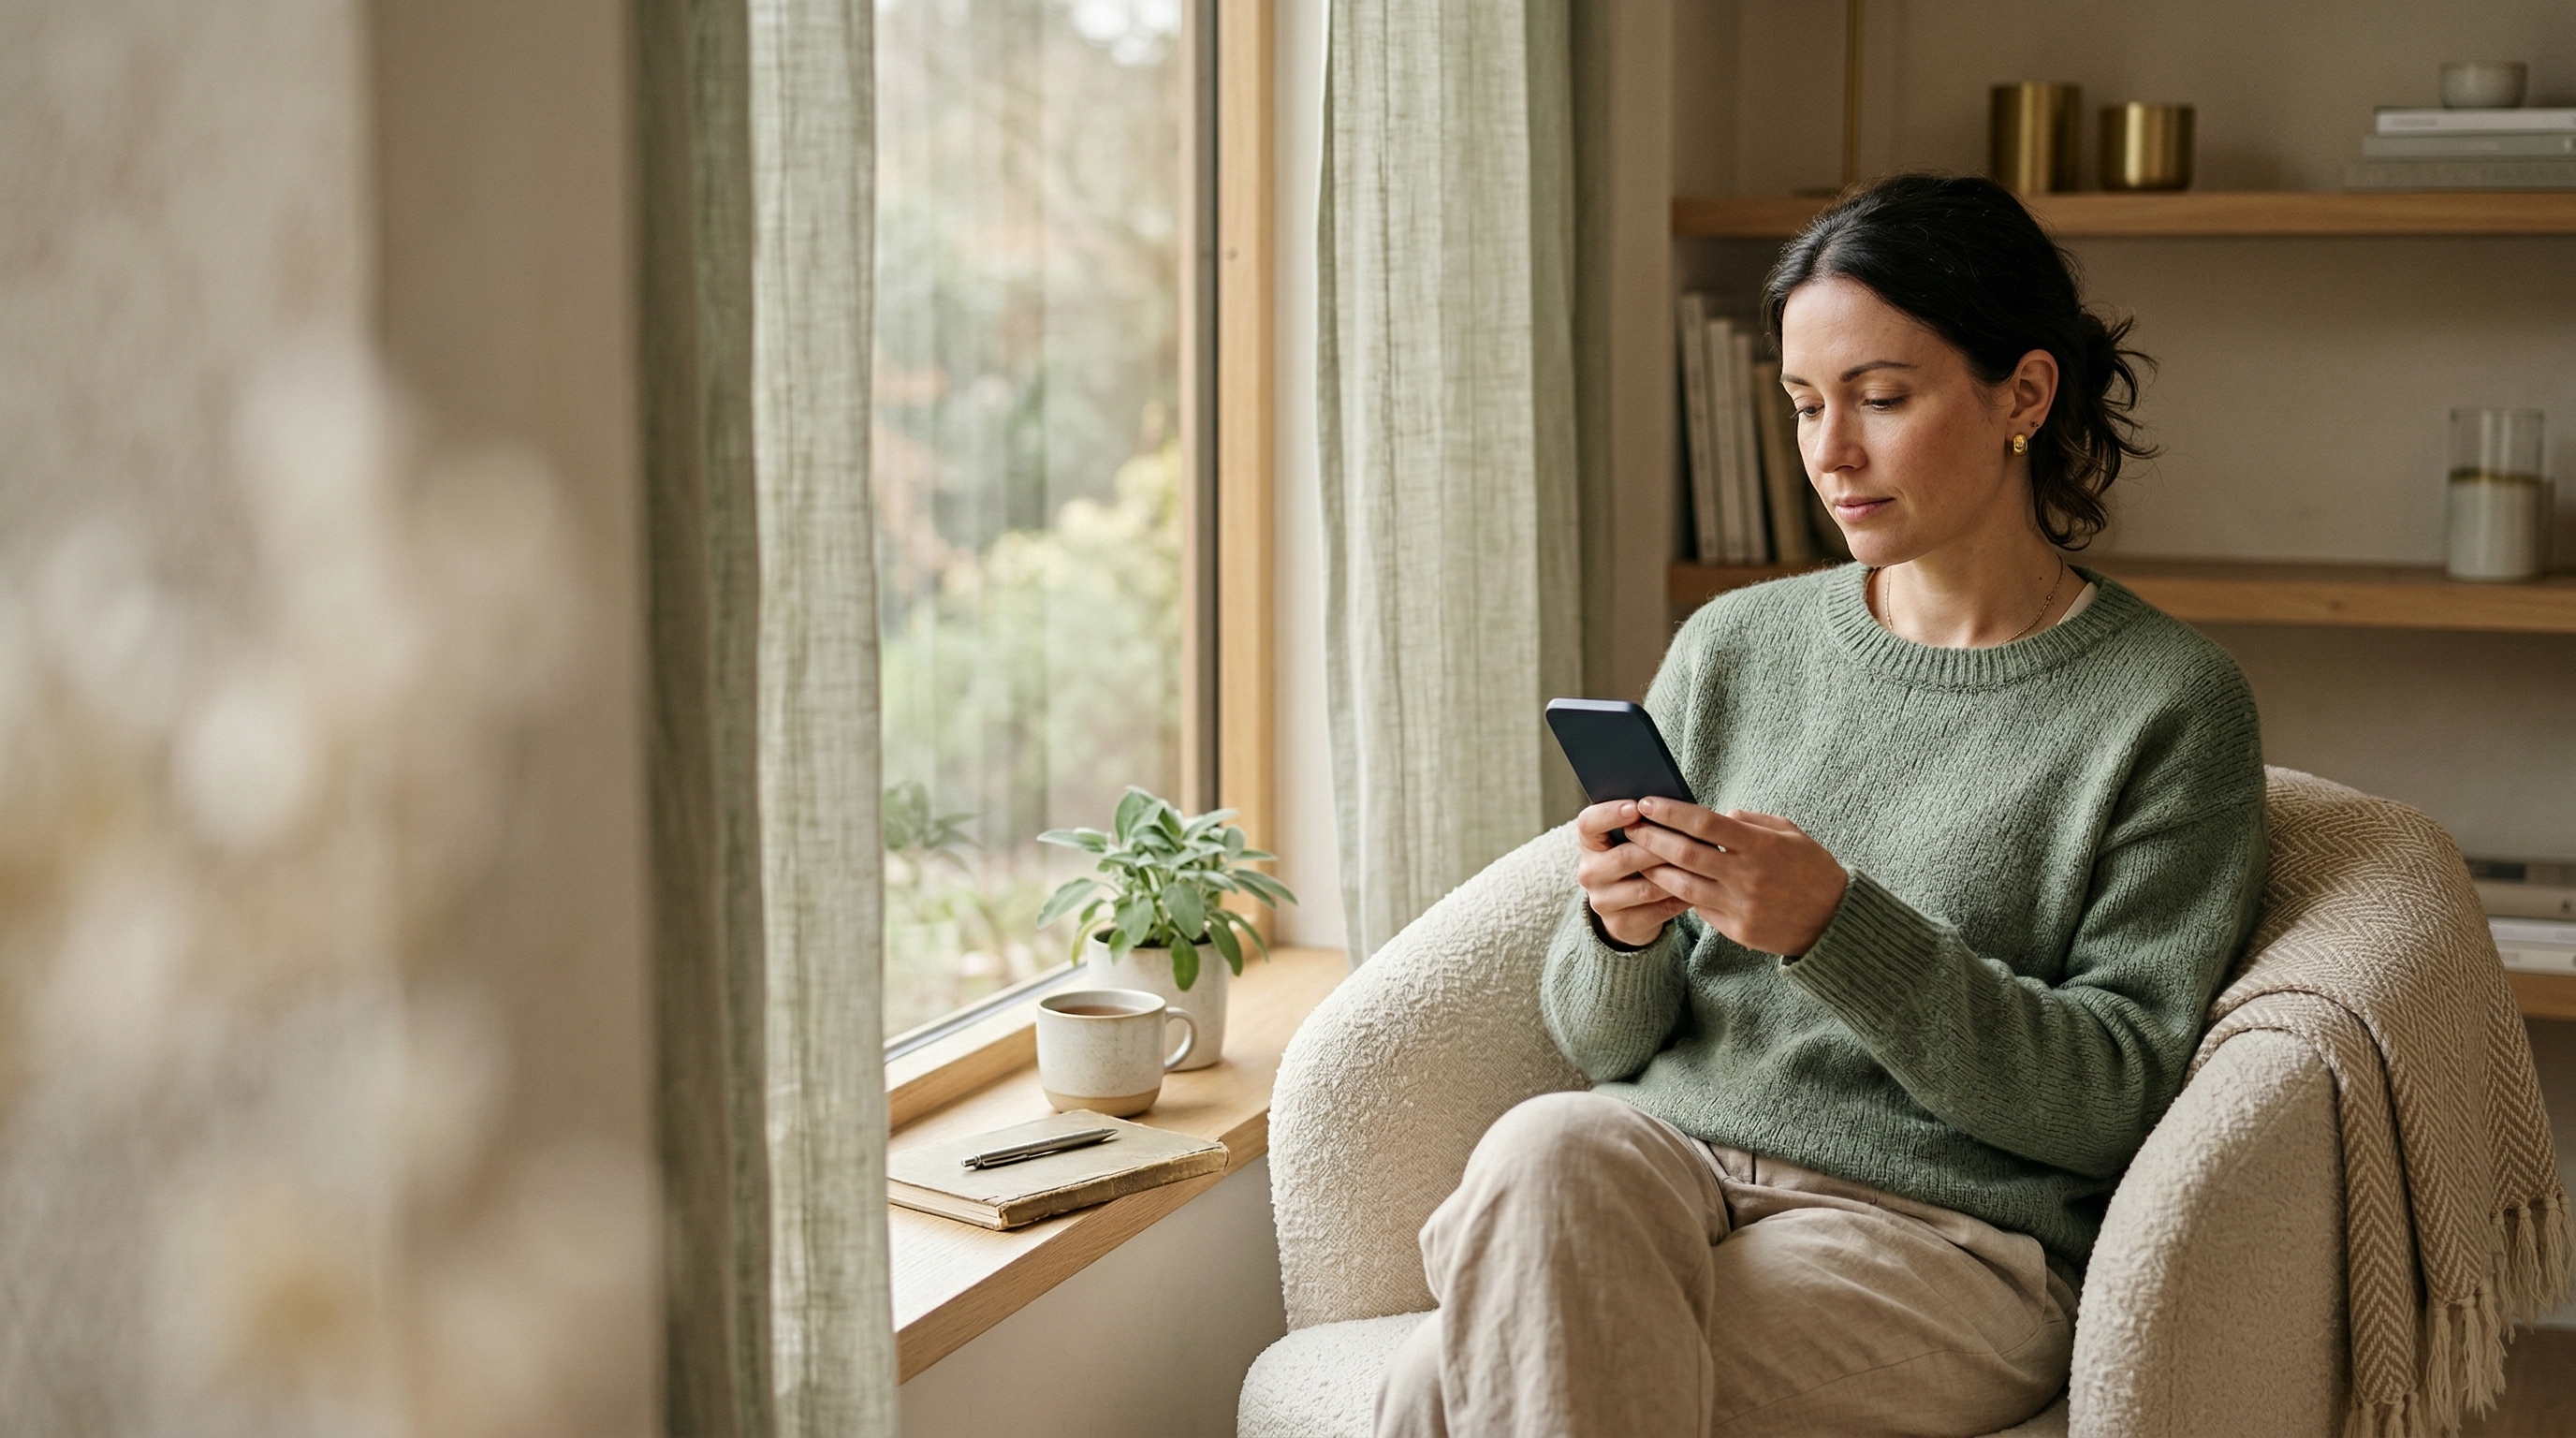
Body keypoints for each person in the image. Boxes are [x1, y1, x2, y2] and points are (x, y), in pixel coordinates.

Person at [1374, 173, 2268, 1438]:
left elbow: (2113, 1097)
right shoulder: (1733, 646)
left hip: (1941, 1238)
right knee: (1541, 1144)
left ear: (2024, 394)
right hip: (1667, 1165)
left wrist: (1835, 927)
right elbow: (1602, 1045)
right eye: (1804, 404)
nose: (1830, 453)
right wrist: (1622, 931)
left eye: (1881, 398)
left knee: (1437, 1385)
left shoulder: (2169, 704)